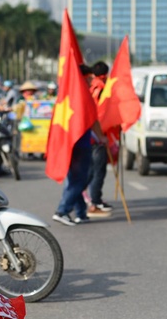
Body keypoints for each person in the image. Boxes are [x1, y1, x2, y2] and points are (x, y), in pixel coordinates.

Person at [52, 64, 108, 226]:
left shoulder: (66, 94)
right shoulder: (82, 95)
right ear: (82, 78)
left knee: (75, 178)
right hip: (80, 144)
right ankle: (62, 210)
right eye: (89, 78)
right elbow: (93, 119)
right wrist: (101, 137)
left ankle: (81, 213)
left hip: (68, 142)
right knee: (81, 179)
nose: (91, 81)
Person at [85, 61, 113, 217]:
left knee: (91, 169)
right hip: (98, 133)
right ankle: (95, 202)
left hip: (90, 133)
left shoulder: (90, 87)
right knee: (97, 170)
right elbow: (100, 113)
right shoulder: (102, 89)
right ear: (105, 75)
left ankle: (88, 199)